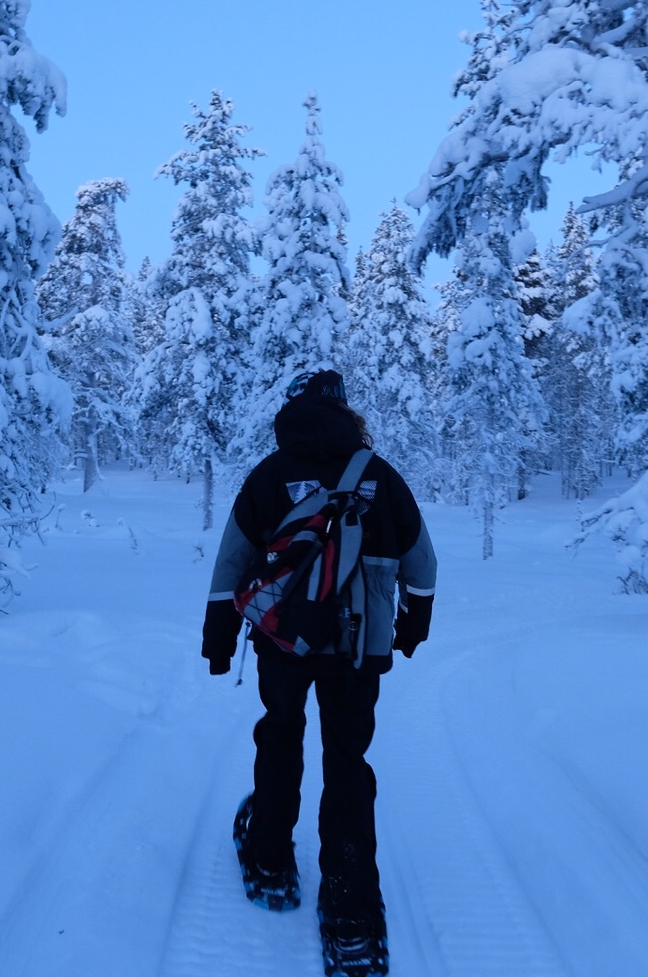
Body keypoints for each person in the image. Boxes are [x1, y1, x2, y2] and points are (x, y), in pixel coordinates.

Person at [203, 369, 437, 977]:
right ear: (346, 412)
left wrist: (219, 635)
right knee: (347, 761)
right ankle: (351, 911)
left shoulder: (268, 475)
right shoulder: (379, 476)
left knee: (280, 734)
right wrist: (414, 624)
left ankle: (270, 860)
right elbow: (423, 560)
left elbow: (232, 560)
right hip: (359, 651)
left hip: (283, 641)